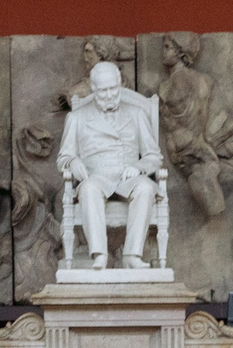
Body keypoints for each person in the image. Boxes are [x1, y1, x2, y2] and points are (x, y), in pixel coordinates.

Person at [57, 60, 164, 270]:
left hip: (128, 177)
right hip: (96, 177)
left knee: (145, 187)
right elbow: (63, 157)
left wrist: (139, 167)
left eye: (113, 89)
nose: (109, 95)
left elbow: (154, 156)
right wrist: (73, 161)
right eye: (103, 90)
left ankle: (132, 255)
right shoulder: (77, 118)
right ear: (93, 89)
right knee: (88, 189)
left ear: (120, 84)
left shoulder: (137, 114)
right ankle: (99, 255)